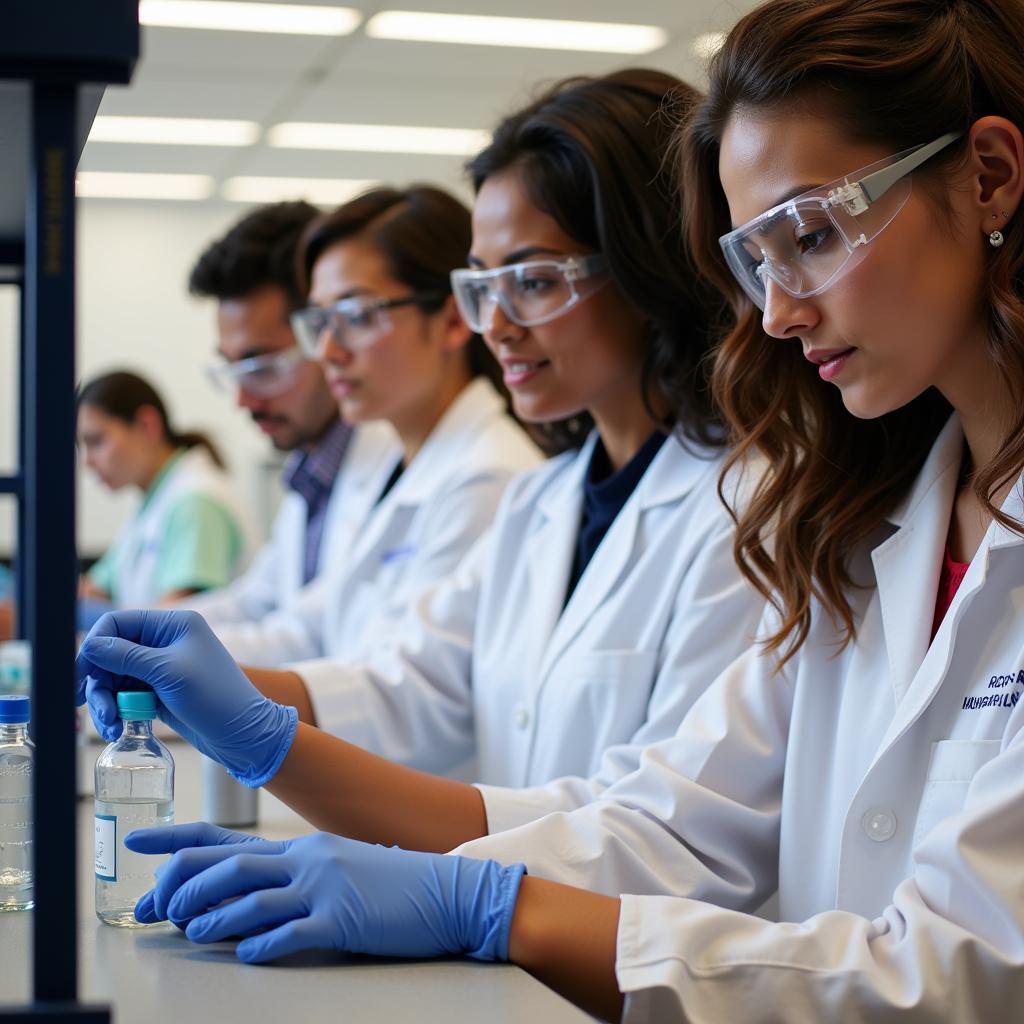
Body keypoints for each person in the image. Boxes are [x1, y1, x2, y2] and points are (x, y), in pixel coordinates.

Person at [77, 1, 1024, 1021]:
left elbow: (954, 971)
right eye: (757, 259)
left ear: (988, 175)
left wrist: (490, 905)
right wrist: (272, 747)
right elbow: (664, 824)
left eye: (812, 232)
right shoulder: (847, 526)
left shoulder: (747, 502)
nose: (781, 310)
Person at [77, 69, 766, 837]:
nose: (496, 325)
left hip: (610, 931)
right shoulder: (544, 502)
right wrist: (204, 688)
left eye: (535, 281)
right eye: (486, 284)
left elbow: (664, 828)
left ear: (649, 265)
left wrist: (255, 726)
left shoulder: (742, 508)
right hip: (509, 903)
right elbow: (415, 684)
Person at [192, 185, 543, 670]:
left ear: (452, 319)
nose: (330, 352)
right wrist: (152, 651)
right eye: (321, 323)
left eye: (356, 316)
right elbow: (309, 625)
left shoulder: (490, 476)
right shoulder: (392, 466)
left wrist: (203, 689)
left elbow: (409, 689)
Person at [181, 202, 397, 657]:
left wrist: (157, 656)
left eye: (261, 367)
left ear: (323, 334)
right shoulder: (312, 471)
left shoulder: (394, 463)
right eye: (232, 370)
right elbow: (255, 603)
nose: (243, 400)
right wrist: (134, 635)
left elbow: (306, 637)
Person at [77, 370, 255, 610]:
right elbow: (94, 588)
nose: (87, 461)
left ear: (146, 425)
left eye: (96, 441)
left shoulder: (196, 502)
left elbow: (172, 625)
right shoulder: (154, 502)